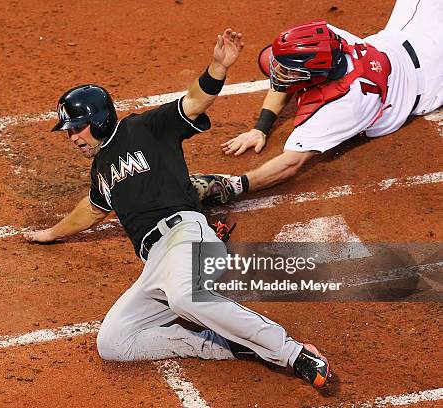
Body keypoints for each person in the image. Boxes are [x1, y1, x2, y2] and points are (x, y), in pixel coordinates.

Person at [23, 29, 331, 389]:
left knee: (187, 298)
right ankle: (229, 346)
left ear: (100, 118)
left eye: (77, 127)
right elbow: (91, 210)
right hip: (156, 263)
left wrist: (217, 67)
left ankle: (293, 352)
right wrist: (49, 233)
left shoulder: (144, 128)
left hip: (185, 235)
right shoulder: (101, 169)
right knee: (113, 342)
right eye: (69, 130)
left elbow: (194, 103)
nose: (72, 136)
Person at [194, 0, 443, 202]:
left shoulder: (341, 106)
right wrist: (260, 127)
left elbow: (289, 164)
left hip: (433, 77)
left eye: (290, 71)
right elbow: (289, 76)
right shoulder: (328, 37)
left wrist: (233, 185)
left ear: (317, 73)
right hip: (409, 30)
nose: (281, 74)